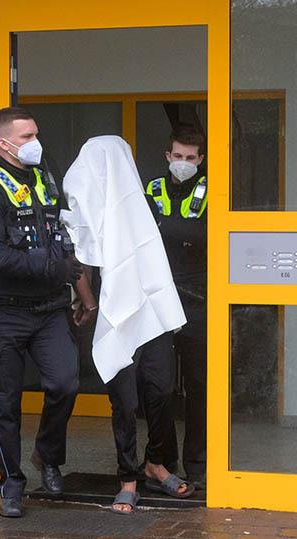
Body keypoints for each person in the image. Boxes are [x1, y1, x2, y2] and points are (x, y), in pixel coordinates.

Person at [62, 136, 193, 515]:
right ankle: (127, 477)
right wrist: (88, 300)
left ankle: (156, 462)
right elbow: (78, 260)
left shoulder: (137, 202)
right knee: (124, 399)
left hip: (148, 313)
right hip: (109, 311)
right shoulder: (80, 206)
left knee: (161, 387)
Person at [0, 106, 83, 518]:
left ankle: (47, 455)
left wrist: (78, 282)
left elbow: (62, 234)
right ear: (4, 143)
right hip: (6, 314)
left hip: (50, 308)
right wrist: (51, 267)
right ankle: (11, 484)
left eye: (36, 134)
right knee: (7, 403)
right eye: (27, 136)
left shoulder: (45, 180)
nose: (35, 142)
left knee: (65, 383)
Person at [144, 126, 208, 489]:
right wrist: (185, 229)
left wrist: (163, 226)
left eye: (191, 158)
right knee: (160, 385)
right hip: (158, 298)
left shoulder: (213, 190)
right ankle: (162, 460)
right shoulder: (151, 189)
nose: (183, 163)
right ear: (167, 156)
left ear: (201, 160)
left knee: (199, 385)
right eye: (178, 156)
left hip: (199, 298)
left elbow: (208, 235)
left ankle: (196, 464)